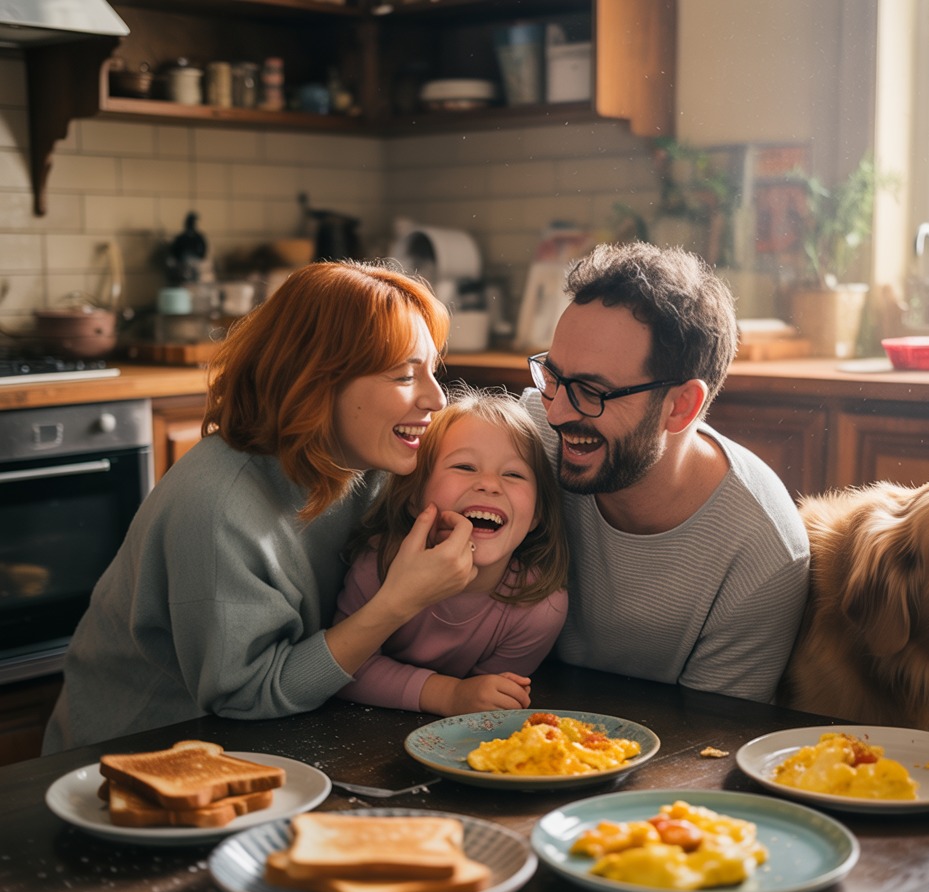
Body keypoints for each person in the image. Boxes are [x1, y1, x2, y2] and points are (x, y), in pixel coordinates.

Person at [43, 260, 479, 753]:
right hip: (132, 755)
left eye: (431, 370)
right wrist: (398, 602)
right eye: (404, 375)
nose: (436, 398)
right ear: (315, 381)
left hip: (274, 735)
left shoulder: (371, 461)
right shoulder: (217, 507)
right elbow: (245, 694)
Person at [521, 241, 809, 701]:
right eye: (553, 378)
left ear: (681, 407)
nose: (556, 412)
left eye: (592, 391)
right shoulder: (526, 436)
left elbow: (707, 744)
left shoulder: (763, 551)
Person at [334, 386, 569, 716]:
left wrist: (471, 698)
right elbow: (341, 672)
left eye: (513, 474)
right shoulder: (379, 564)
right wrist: (449, 695)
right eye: (464, 467)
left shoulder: (538, 607)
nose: (489, 484)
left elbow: (488, 703)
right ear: (415, 496)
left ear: (537, 515)